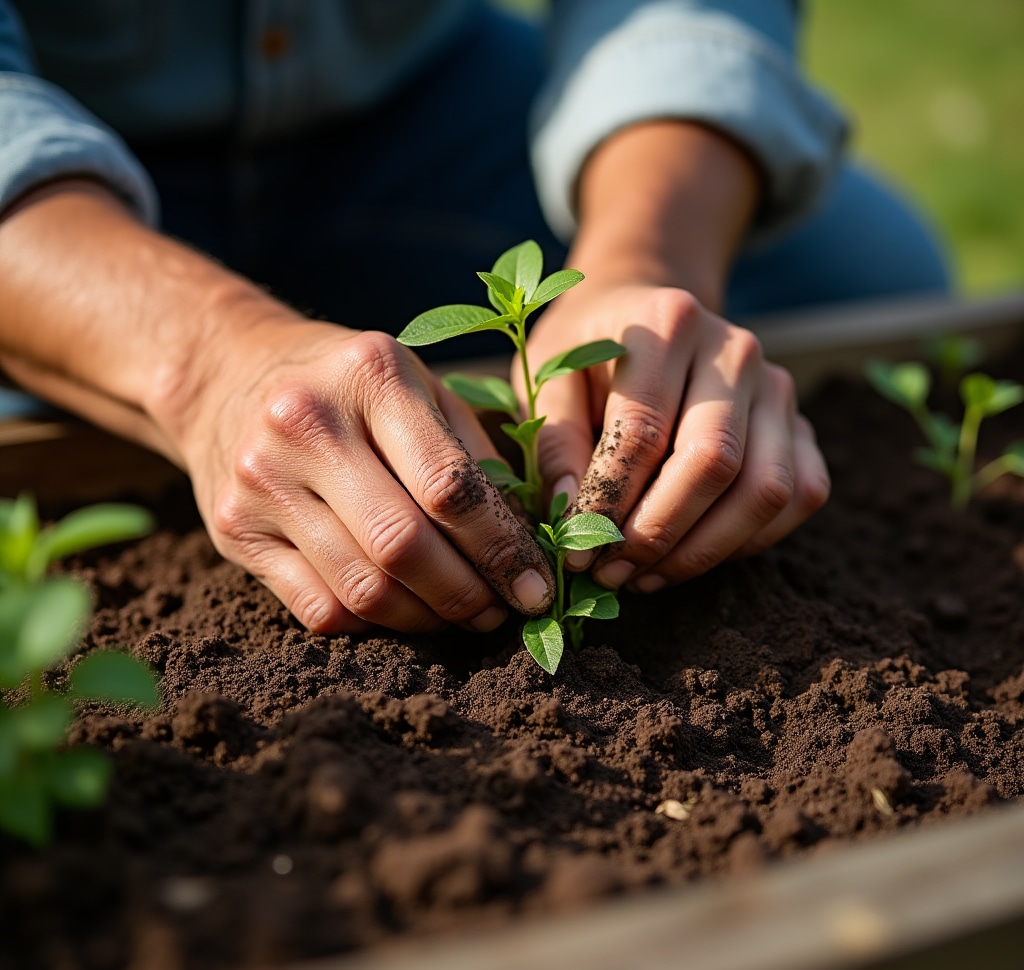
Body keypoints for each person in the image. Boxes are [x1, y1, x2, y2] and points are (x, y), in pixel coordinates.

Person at [0, 1, 950, 636]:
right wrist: (208, 366)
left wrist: (645, 260)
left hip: (416, 94)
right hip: (65, 160)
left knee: (877, 274)